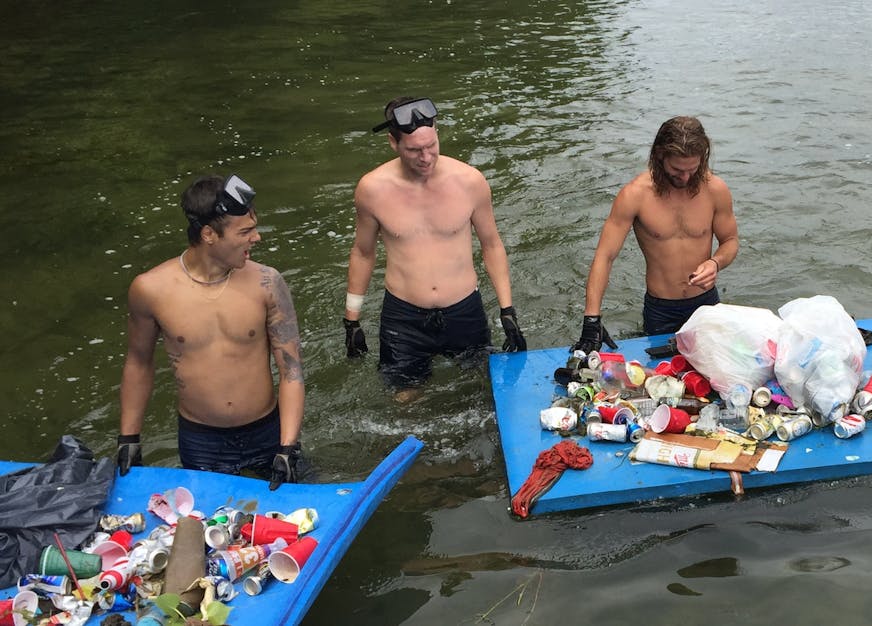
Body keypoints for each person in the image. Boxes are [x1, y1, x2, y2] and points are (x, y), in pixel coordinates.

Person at [117, 174, 308, 489]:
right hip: (200, 439)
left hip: (268, 431)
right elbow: (139, 361)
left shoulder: (267, 283)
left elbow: (291, 370)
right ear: (208, 234)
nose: (257, 238)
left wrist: (287, 447)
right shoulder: (151, 289)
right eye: (245, 231)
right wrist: (129, 438)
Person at [344, 97, 526, 395]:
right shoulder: (372, 189)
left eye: (431, 146)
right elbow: (363, 252)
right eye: (414, 150)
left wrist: (508, 311)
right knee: (405, 403)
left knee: (485, 393)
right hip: (403, 317)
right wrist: (351, 321)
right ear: (393, 142)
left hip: (464, 310)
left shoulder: (469, 181)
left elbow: (491, 244)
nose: (426, 157)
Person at [571, 116, 739, 352]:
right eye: (677, 170)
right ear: (659, 155)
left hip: (706, 303)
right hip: (661, 309)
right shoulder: (635, 195)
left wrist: (715, 262)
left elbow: (730, 241)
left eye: (693, 169)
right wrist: (591, 319)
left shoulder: (715, 189)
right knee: (659, 382)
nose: (685, 178)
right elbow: (605, 256)